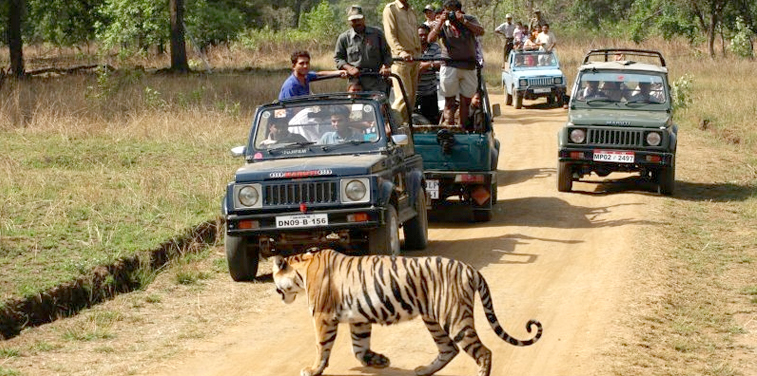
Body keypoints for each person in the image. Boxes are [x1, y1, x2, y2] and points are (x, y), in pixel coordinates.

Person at [428, 0, 485, 129]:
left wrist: (463, 21)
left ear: (459, 10)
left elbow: (481, 32)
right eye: (448, 11)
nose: (451, 14)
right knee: (449, 102)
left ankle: (462, 129)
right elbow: (430, 39)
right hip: (449, 65)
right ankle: (449, 128)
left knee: (466, 102)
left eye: (453, 11)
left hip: (468, 65)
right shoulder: (443, 23)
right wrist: (441, 22)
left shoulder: (469, 19)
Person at [335, 5, 392, 95]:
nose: (357, 22)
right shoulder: (344, 38)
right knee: (356, 108)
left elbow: (387, 54)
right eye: (353, 20)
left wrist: (386, 66)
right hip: (355, 83)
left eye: (358, 19)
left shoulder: (377, 34)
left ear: (364, 18)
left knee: (378, 107)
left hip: (376, 80)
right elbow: (338, 59)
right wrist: (349, 68)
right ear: (349, 21)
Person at [383, 0, 422, 124]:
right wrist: (401, 52)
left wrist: (418, 52)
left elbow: (415, 34)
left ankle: (405, 128)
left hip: (415, 58)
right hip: (401, 60)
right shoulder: (391, 9)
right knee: (403, 97)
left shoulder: (411, 10)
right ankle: (390, 126)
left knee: (411, 99)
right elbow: (390, 35)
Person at [279, 50, 346, 100]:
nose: (305, 66)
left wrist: (339, 73)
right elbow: (292, 109)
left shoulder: (306, 76)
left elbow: (320, 74)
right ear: (293, 66)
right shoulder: (291, 85)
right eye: (301, 63)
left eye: (307, 63)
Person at [416, 24, 442, 125]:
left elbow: (440, 63)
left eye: (425, 35)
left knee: (432, 122)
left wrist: (426, 65)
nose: (423, 37)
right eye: (420, 35)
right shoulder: (411, 47)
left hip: (430, 91)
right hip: (415, 92)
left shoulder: (435, 46)